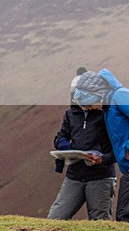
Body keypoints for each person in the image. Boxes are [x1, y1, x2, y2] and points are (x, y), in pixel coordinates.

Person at [48, 68, 115, 220]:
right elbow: (60, 137)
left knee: (99, 222)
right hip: (74, 175)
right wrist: (68, 148)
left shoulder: (108, 115)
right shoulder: (71, 115)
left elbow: (119, 148)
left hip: (100, 177)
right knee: (55, 218)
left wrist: (103, 159)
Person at [73, 69, 129, 222]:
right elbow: (119, 142)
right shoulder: (108, 107)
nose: (89, 107)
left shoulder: (119, 96)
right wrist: (104, 159)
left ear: (95, 93)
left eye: (88, 102)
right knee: (124, 216)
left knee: (124, 216)